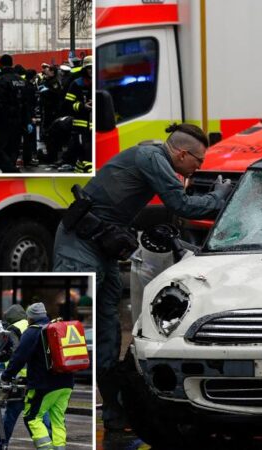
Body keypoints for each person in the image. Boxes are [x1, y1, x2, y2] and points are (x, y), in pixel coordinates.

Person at [53, 123, 233, 429]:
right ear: (181, 152)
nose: (197, 167)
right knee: (82, 330)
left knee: (108, 332)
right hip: (79, 247)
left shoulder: (152, 157)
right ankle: (50, 392)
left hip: (101, 246)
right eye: (197, 162)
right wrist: (219, 196)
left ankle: (115, 412)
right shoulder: (152, 158)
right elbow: (182, 205)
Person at [1, 303, 72, 450]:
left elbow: (19, 357)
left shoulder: (32, 332)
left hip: (44, 385)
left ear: (30, 318)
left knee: (32, 417)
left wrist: (6, 376)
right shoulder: (57, 328)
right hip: (66, 383)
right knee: (57, 419)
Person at [0, 304, 50, 450]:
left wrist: (5, 373)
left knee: (14, 413)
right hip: (39, 376)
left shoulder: (13, 330)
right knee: (38, 410)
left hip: (21, 377)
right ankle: (49, 439)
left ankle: (1, 443)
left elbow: (15, 354)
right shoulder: (40, 326)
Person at [0, 54, 32, 172]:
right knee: (12, 150)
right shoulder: (22, 81)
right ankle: (8, 176)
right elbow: (27, 104)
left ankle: (11, 171)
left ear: (0, 65)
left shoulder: (1, 81)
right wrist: (27, 122)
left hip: (4, 121)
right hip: (19, 122)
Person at [62, 55, 92, 171]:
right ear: (85, 69)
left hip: (96, 127)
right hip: (81, 126)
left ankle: (79, 170)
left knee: (87, 157)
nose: (92, 71)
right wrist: (82, 106)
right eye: (89, 68)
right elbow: (67, 105)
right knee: (85, 153)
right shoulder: (77, 84)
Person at [39, 64, 64, 164]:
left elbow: (56, 94)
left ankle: (53, 156)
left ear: (53, 72)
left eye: (48, 70)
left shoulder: (54, 82)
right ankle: (51, 154)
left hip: (52, 111)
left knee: (51, 133)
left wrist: (47, 91)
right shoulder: (48, 80)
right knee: (48, 133)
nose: (46, 72)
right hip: (47, 109)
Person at [22, 68, 39, 167]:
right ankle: (29, 159)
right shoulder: (29, 87)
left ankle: (28, 159)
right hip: (29, 116)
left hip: (27, 115)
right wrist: (31, 118)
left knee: (28, 139)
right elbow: (28, 104)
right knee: (30, 139)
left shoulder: (25, 85)